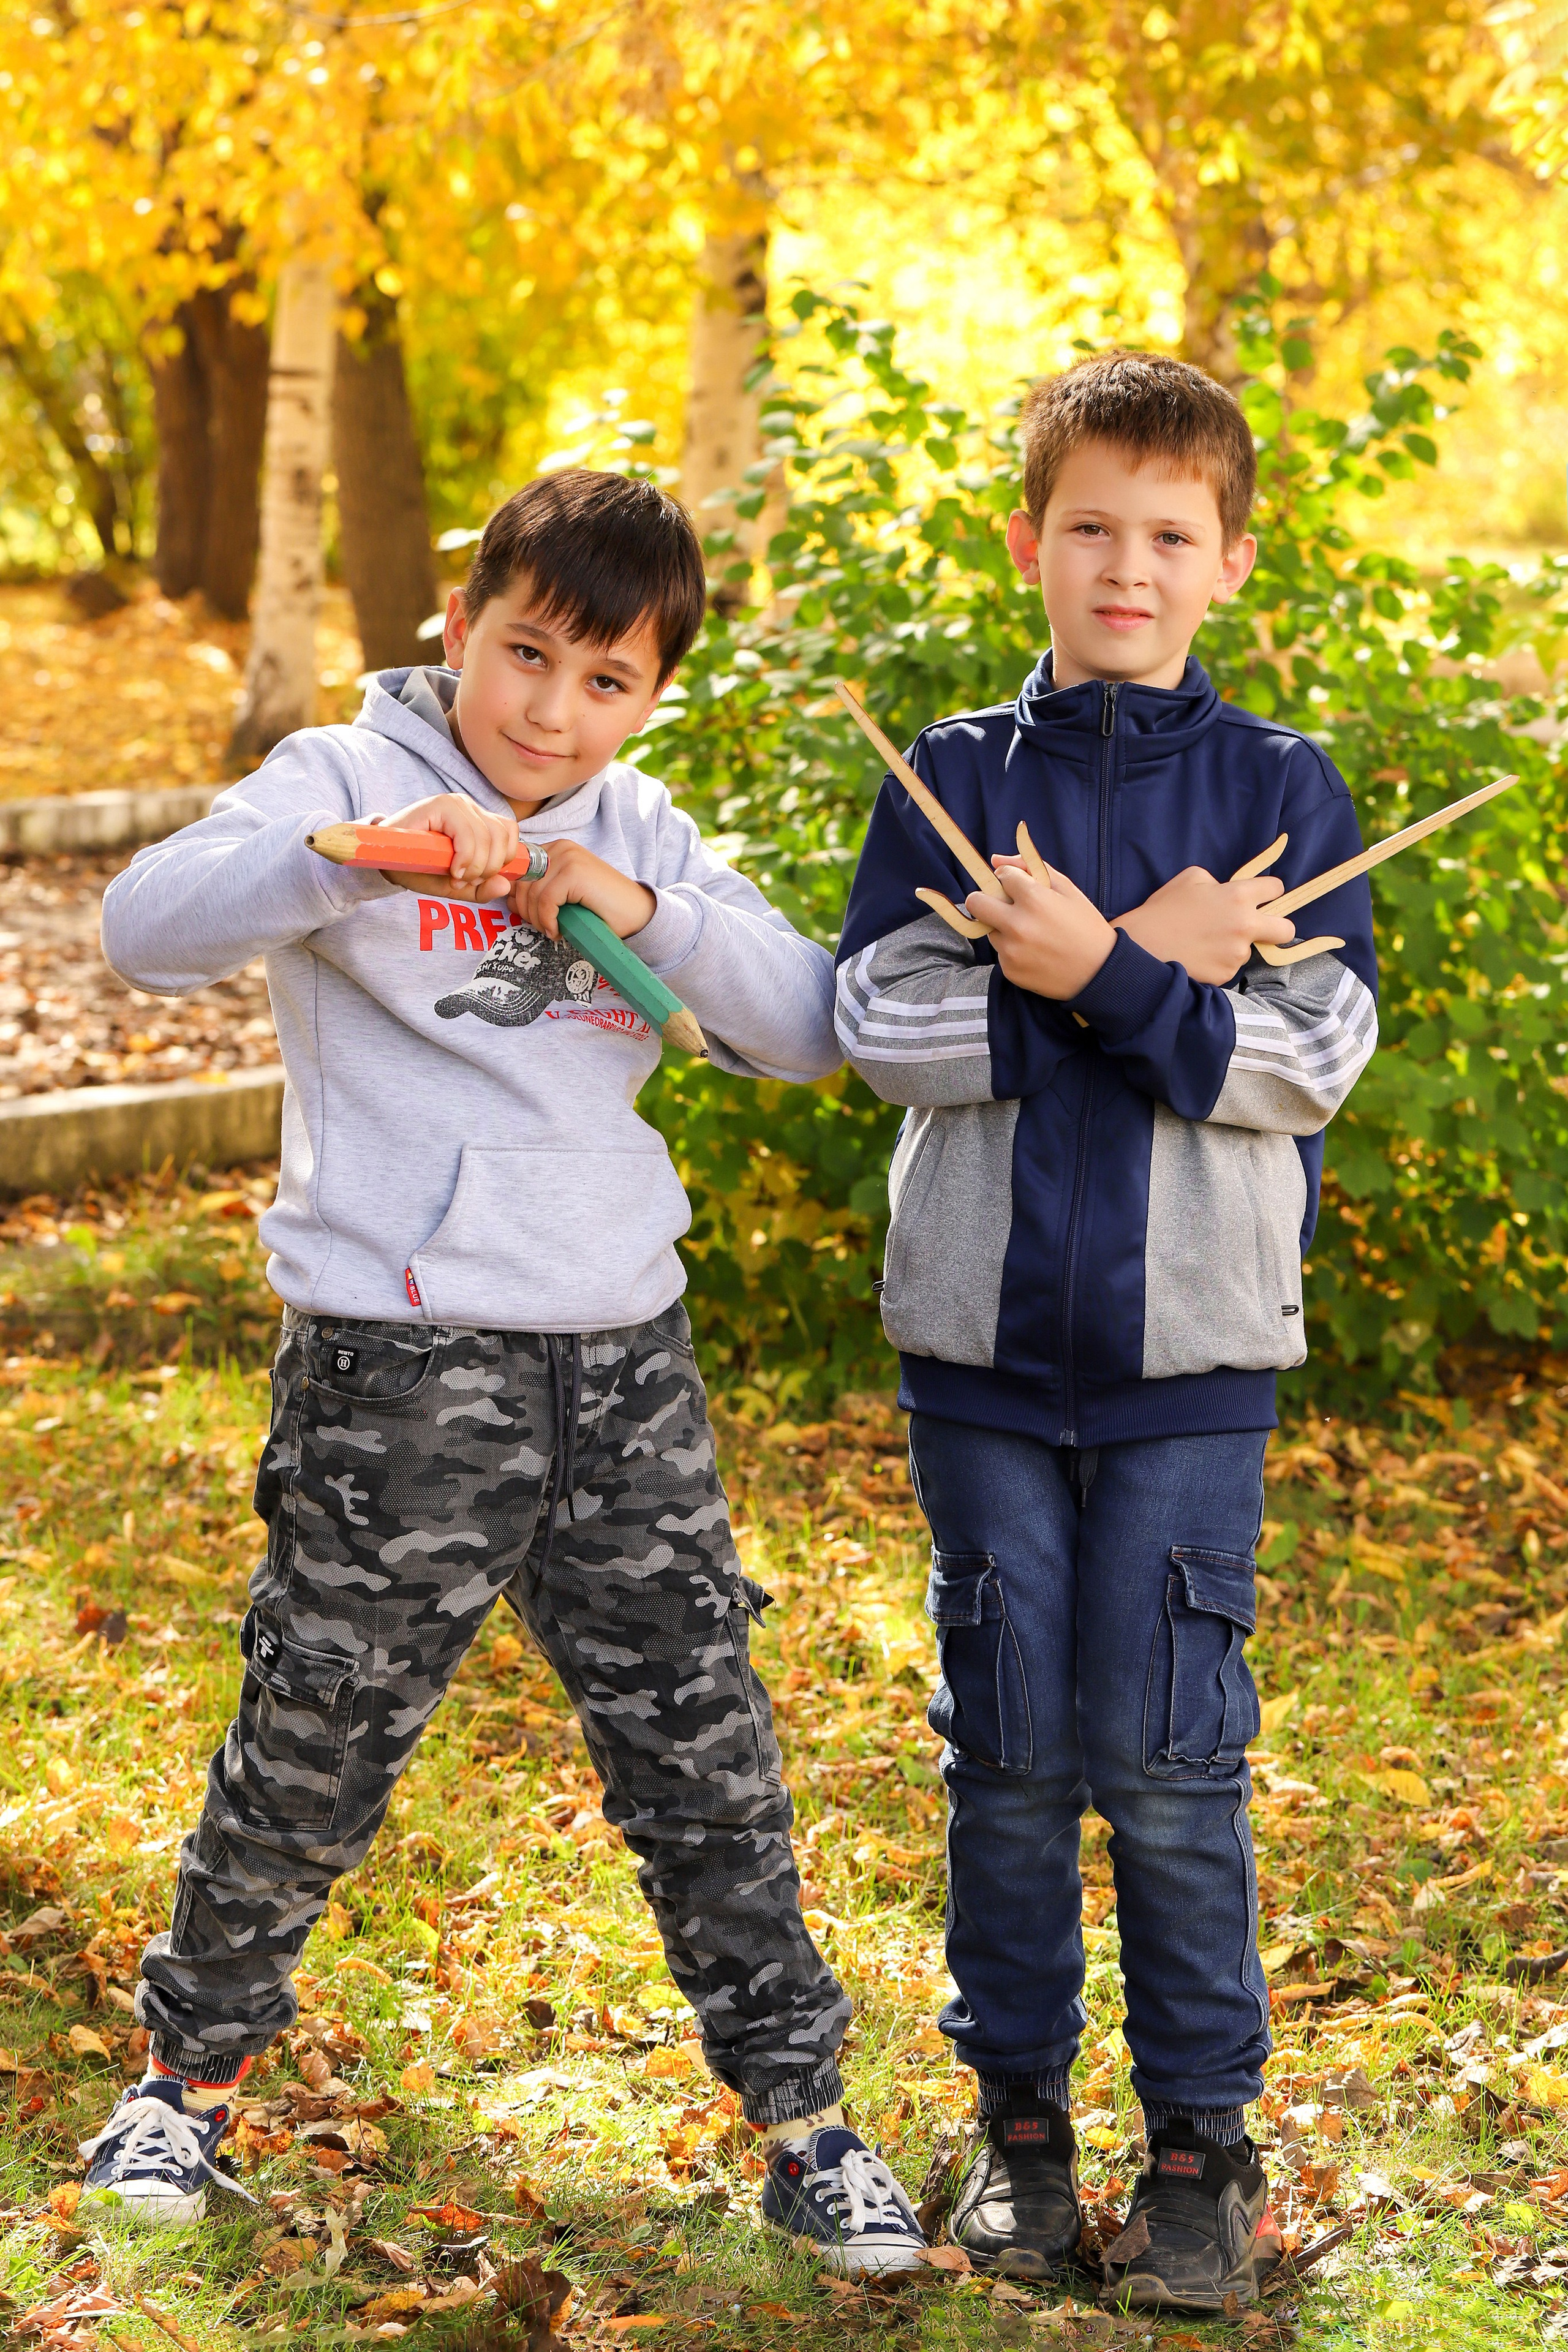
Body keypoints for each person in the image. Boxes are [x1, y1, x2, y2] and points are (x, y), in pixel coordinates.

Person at [85, 469, 927, 2276]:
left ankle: (808, 2127)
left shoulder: (643, 824)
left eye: (605, 680)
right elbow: (143, 931)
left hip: (623, 1359)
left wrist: (642, 902)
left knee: (703, 1748)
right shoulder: (341, 774)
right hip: (400, 1366)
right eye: (527, 654)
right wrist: (354, 854)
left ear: (652, 696)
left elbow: (806, 1027)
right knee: (314, 1735)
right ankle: (179, 2088)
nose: (552, 711)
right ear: (460, 628)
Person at [833, 353, 1378, 2313]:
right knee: (1004, 1757)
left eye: (1168, 533)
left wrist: (1102, 977)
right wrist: (1138, 962)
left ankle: (1201, 2152)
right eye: (1090, 528)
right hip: (980, 1361)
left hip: (1191, 1368)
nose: (1125, 566)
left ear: (1230, 560)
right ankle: (1020, 2133)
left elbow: (1306, 1062)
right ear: (1029, 546)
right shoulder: (952, 776)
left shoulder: (1282, 793)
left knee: (1166, 1763)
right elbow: (879, 1027)